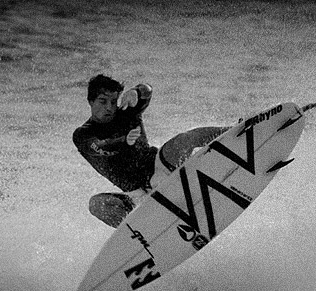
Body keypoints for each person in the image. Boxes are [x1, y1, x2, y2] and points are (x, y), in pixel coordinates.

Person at [73, 74, 228, 227]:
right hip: (138, 197)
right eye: (103, 101)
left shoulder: (127, 112)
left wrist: (136, 92)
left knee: (186, 139)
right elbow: (100, 147)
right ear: (91, 101)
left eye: (113, 102)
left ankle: (236, 133)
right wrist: (124, 141)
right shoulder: (83, 134)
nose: (109, 107)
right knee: (97, 205)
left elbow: (147, 90)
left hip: (160, 170)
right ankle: (144, 232)